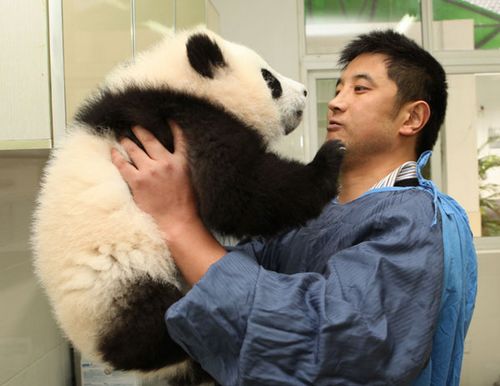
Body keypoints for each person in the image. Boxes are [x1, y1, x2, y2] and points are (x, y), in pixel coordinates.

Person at [111, 30, 477, 385]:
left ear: (412, 118)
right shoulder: (322, 212)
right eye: (338, 89)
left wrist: (178, 220)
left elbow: (331, 344)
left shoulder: (416, 222)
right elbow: (240, 267)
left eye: (360, 88)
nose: (335, 102)